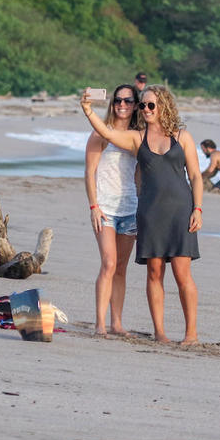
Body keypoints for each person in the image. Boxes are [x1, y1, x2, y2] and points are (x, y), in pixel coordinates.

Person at [81, 85, 202, 345]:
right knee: (153, 273)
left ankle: (191, 334)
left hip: (179, 212)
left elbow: (195, 176)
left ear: (164, 107)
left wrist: (198, 209)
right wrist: (88, 111)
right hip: (148, 213)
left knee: (182, 274)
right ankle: (159, 333)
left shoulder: (183, 137)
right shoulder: (138, 138)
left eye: (150, 105)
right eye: (144, 105)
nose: (146, 109)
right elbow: (106, 133)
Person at [84, 84, 142, 336]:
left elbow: (139, 175)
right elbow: (89, 173)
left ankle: (117, 323)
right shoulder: (100, 134)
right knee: (108, 263)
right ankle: (100, 323)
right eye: (118, 100)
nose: (122, 105)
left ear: (135, 105)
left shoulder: (138, 136)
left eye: (128, 101)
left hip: (130, 208)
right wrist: (94, 206)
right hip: (105, 209)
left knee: (121, 268)